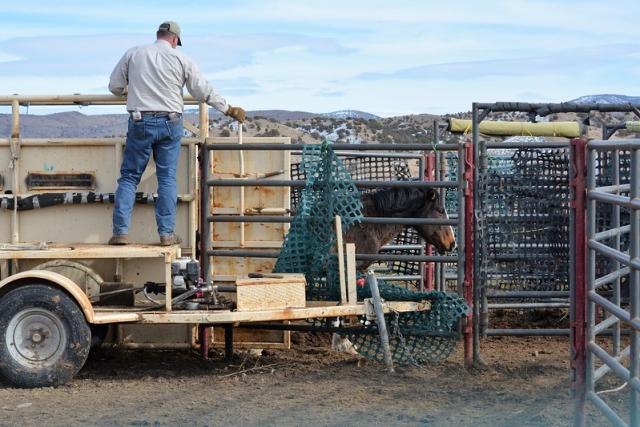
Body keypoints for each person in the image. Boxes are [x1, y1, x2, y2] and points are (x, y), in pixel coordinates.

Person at [108, 21, 245, 246]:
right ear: (174, 40)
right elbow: (202, 90)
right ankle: (166, 234)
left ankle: (120, 233)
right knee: (167, 178)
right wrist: (228, 108)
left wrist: (131, 89)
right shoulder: (181, 59)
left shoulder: (134, 53)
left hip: (140, 121)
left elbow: (114, 86)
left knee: (130, 177)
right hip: (170, 122)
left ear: (158, 35)